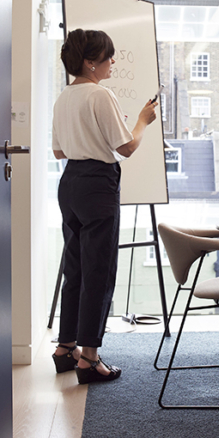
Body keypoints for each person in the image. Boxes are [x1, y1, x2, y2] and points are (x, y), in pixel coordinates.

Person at [50, 28, 158, 383]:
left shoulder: (64, 97)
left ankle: (66, 347)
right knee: (99, 270)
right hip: (98, 184)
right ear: (90, 63)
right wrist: (142, 120)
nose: (112, 61)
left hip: (70, 183)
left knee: (76, 268)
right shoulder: (100, 94)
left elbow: (59, 151)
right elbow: (126, 148)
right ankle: (90, 358)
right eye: (108, 56)